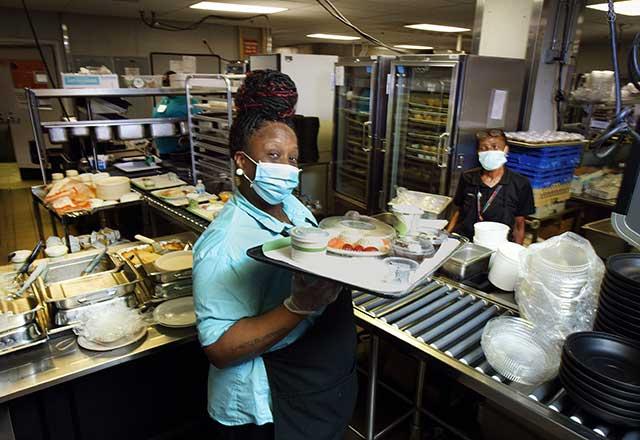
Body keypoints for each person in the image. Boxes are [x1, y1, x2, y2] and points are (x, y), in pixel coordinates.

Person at [192, 70, 357, 440]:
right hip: (265, 403)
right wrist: (298, 306)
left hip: (315, 381)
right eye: (272, 155)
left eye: (292, 158)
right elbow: (219, 349)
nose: (285, 168)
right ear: (242, 161)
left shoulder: (293, 206)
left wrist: (344, 239)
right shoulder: (223, 244)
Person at [448, 129, 534, 244]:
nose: (489, 152)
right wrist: (447, 235)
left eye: (495, 147)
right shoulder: (467, 177)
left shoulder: (520, 183)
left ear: (506, 150)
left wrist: (517, 252)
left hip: (499, 244)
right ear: (478, 152)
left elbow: (519, 224)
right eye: (483, 148)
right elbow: (458, 211)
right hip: (465, 240)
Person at [152, 70, 189, 157]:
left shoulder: (187, 101)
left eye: (167, 82)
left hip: (181, 153)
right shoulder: (165, 99)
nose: (165, 85)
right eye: (164, 82)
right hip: (163, 150)